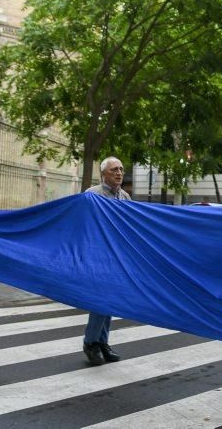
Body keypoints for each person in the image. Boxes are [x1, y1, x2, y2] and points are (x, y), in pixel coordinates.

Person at [82, 156, 131, 366]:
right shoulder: (91, 195)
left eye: (121, 169)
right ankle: (90, 342)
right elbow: (84, 226)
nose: (119, 173)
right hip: (98, 256)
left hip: (117, 257)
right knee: (99, 300)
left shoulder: (125, 197)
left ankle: (103, 342)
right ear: (103, 174)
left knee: (110, 300)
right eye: (114, 170)